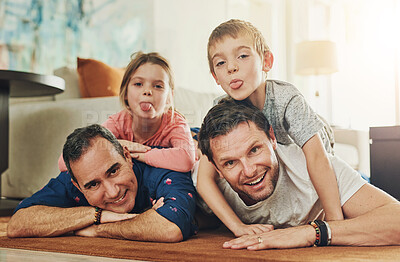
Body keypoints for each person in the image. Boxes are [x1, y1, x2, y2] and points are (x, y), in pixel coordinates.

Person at [196, 19, 342, 237]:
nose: (231, 68)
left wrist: (335, 222)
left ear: (266, 61)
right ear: (215, 77)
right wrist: (238, 227)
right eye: (220, 63)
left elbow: (318, 158)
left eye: (242, 56)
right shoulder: (222, 109)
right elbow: (204, 178)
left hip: (315, 145)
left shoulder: (286, 99)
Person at [197, 98, 400, 250]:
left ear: (272, 138)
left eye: (254, 150)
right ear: (216, 168)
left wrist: (312, 232)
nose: (249, 171)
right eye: (231, 162)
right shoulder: (208, 186)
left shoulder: (313, 166)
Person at [7, 124, 197, 242]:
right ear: (77, 185)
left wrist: (97, 230)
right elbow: (18, 224)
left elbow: (171, 228)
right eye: (93, 185)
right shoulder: (79, 176)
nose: (113, 192)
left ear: (127, 157)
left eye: (114, 171)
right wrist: (98, 215)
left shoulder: (164, 167)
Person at [58, 51, 196, 173]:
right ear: (125, 93)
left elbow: (186, 160)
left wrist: (140, 154)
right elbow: (63, 163)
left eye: (158, 86)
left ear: (169, 97)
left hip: (187, 136)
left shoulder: (175, 122)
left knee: (200, 145)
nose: (147, 91)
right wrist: (121, 144)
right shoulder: (118, 122)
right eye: (138, 84)